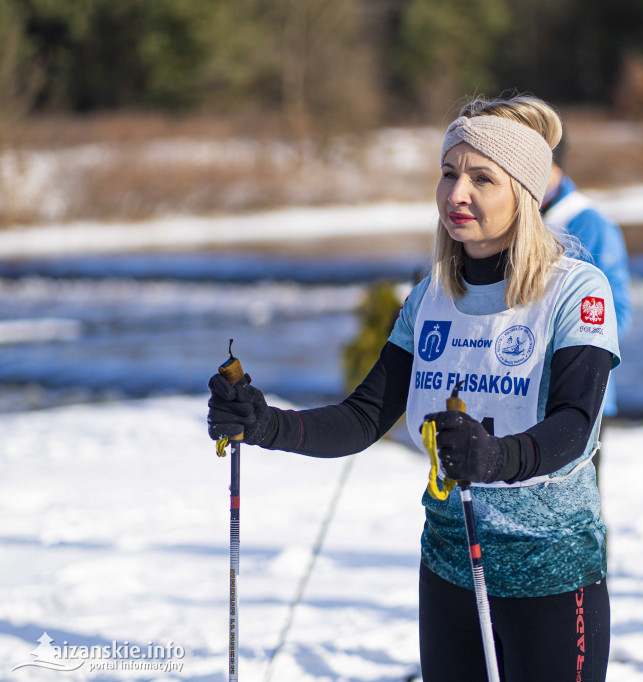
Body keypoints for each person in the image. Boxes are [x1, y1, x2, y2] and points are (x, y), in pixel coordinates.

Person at [207, 94, 618, 682]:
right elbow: (364, 417)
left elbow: (575, 427)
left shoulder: (576, 289)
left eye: (482, 178)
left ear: (525, 194)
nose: (456, 194)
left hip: (548, 572)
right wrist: (265, 424)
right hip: (451, 568)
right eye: (448, 173)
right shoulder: (430, 296)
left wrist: (499, 456)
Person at [541, 134, 633, 483]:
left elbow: (618, 313)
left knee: (577, 519)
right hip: (521, 394)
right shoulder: (516, 217)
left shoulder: (588, 223)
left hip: (580, 399)